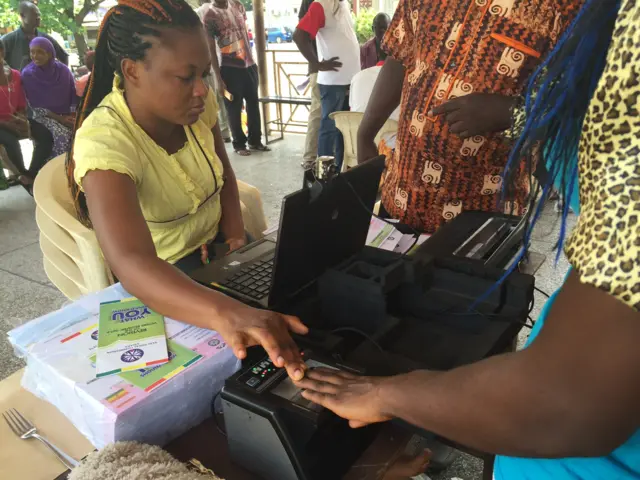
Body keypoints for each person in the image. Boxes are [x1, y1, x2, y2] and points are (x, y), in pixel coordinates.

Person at [297, 1, 640, 478]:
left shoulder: (578, 13)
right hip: (405, 199)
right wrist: (366, 138)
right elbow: (400, 55)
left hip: (482, 221)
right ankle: (410, 440)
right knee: (384, 321)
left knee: (471, 332)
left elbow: (566, 401)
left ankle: (444, 432)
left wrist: (515, 115)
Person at [66, 0, 307, 381]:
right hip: (167, 279)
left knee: (303, 312)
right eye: (185, 77)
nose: (201, 90)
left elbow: (225, 176)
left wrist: (234, 239)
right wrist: (225, 311)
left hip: (223, 253)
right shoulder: (105, 142)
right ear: (132, 71)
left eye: (206, 75)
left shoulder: (197, 108)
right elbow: (130, 262)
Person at [357, 0, 583, 233]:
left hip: (484, 220)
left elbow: (587, 100)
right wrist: (365, 133)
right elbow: (401, 53)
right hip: (400, 201)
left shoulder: (569, 6)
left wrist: (510, 111)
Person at [294, 0, 360, 171]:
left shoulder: (341, 4)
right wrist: (316, 63)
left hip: (348, 80)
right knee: (329, 129)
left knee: (342, 130)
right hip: (333, 82)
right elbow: (299, 35)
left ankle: (338, 170)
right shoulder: (321, 4)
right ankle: (324, 173)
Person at [201, 0, 269, 156]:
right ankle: (239, 144)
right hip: (229, 67)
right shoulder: (210, 16)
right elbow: (211, 48)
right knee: (234, 107)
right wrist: (218, 78)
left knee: (253, 103)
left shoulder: (238, 6)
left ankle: (255, 140)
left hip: (249, 64)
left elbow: (245, 31)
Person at [0, 37, 53, 191]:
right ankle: (25, 179)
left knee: (45, 136)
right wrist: (6, 123)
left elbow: (21, 104)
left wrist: (22, 119)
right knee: (11, 142)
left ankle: (30, 174)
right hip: (1, 125)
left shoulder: (15, 75)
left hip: (15, 119)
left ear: (2, 52)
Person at [22, 37, 76, 161]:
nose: (35, 56)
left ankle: (73, 173)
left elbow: (73, 93)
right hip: (43, 117)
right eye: (32, 52)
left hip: (67, 114)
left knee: (82, 134)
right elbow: (35, 107)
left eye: (40, 52)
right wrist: (61, 119)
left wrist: (73, 115)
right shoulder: (28, 74)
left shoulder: (63, 70)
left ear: (50, 53)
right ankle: (52, 173)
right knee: (62, 136)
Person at [196, 0, 232, 143]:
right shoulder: (217, 11)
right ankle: (225, 132)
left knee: (206, 101)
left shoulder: (199, 13)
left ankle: (208, 132)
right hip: (221, 61)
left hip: (205, 64)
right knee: (220, 99)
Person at [1, 1, 68, 71]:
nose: (38, 17)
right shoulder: (7, 40)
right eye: (35, 15)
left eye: (39, 15)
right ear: (22, 16)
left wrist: (61, 76)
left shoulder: (46, 39)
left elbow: (64, 56)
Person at [298, 0, 322, 169]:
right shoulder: (312, 3)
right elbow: (300, 34)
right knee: (318, 111)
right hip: (321, 68)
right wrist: (315, 62)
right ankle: (310, 158)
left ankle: (319, 156)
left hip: (333, 70)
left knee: (328, 113)